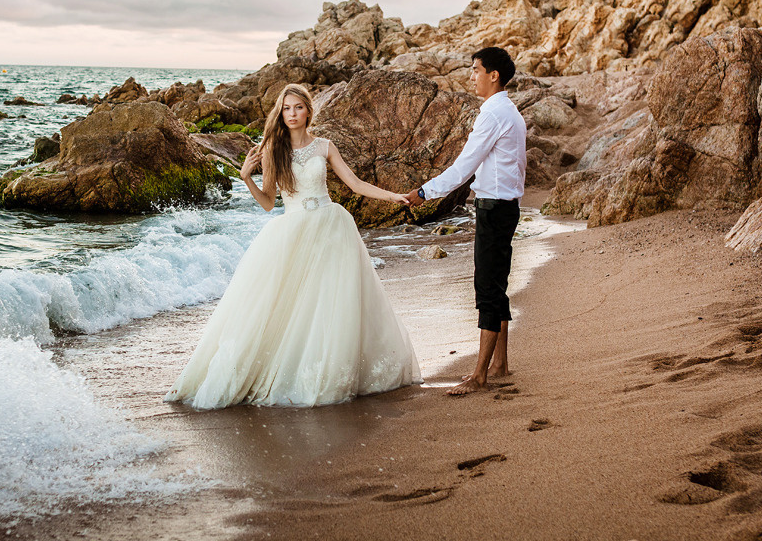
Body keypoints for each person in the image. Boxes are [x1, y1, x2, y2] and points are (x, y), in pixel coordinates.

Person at [165, 83, 421, 409]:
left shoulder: (325, 147)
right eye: (286, 108)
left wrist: (393, 196)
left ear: (308, 111)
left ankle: (331, 373)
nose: (292, 114)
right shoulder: (273, 150)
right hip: (293, 230)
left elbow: (354, 184)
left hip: (331, 228)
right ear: (280, 113)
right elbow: (269, 202)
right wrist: (246, 177)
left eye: (298, 107)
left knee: (328, 304)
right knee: (287, 306)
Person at [404, 47, 525, 396]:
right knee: (497, 283)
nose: (471, 76)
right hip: (505, 206)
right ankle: (500, 363)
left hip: (495, 208)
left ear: (493, 76)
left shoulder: (493, 115)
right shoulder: (509, 112)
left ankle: (479, 375)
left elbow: (463, 167)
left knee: (488, 288)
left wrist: (424, 192)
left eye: (475, 70)